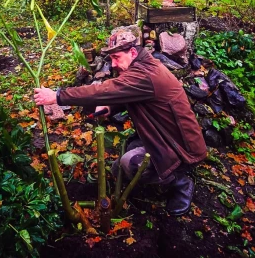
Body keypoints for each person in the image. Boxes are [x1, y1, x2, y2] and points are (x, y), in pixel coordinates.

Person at [34, 30, 207, 216]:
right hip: (160, 134)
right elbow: (133, 96)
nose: (114, 64)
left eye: (117, 57)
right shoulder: (143, 66)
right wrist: (111, 108)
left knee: (130, 163)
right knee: (118, 169)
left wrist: (58, 96)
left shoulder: (146, 74)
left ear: (133, 52)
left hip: (182, 148)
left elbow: (103, 90)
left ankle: (180, 182)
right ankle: (160, 173)